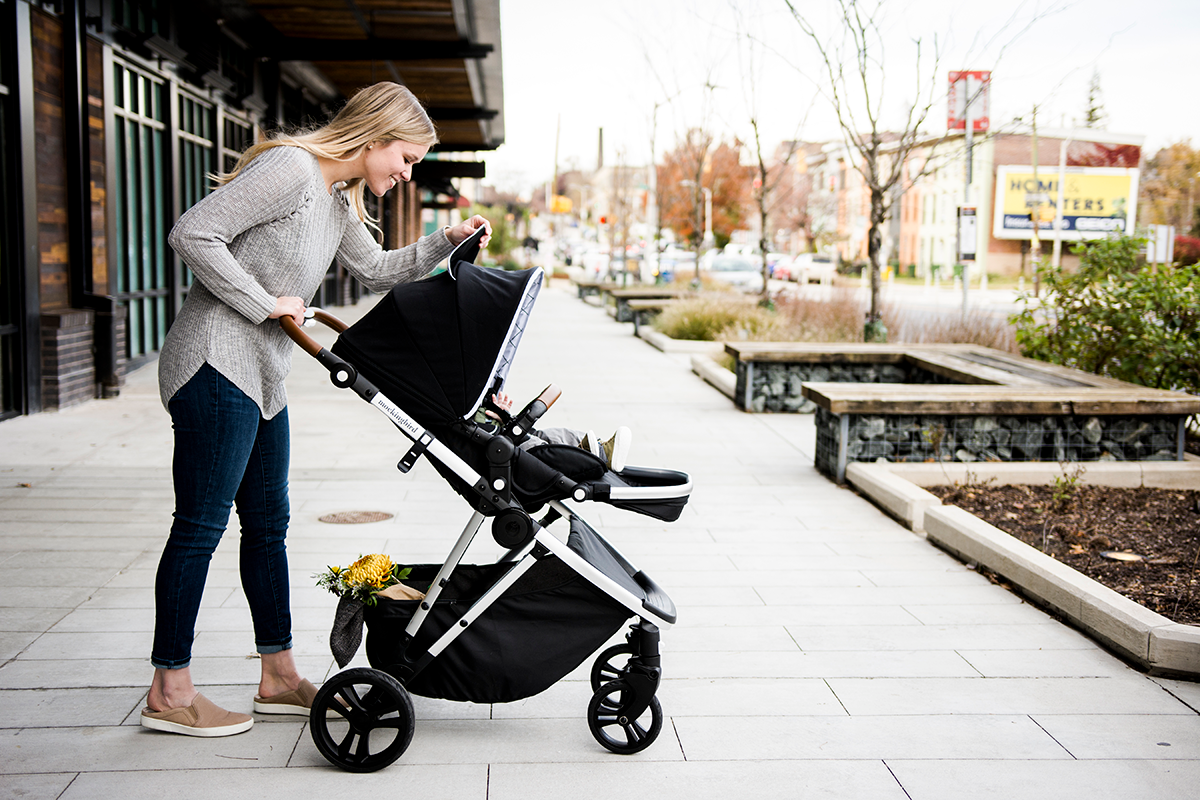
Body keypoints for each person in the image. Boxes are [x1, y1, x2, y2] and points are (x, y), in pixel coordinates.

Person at [141, 82, 490, 738]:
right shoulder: (294, 170)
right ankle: (169, 691)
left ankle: (277, 676)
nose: (407, 172)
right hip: (216, 362)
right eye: (406, 159)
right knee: (200, 526)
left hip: (263, 376)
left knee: (268, 525)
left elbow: (379, 271)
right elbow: (194, 232)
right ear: (373, 138)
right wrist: (262, 300)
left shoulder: (334, 199)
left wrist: (448, 239)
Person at [482, 392, 632, 472]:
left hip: (499, 436)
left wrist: (503, 418)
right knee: (537, 446)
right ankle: (586, 456)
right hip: (506, 454)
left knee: (553, 434)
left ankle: (598, 450)